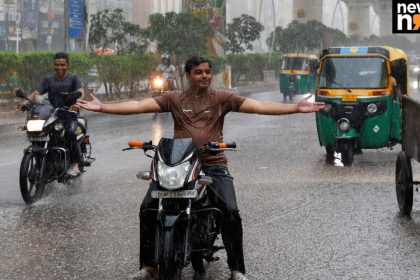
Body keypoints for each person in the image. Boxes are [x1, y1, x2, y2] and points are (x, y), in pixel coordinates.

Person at [77, 56, 325, 280]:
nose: (205, 76)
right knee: (148, 208)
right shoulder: (174, 99)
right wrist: (103, 107)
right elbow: (139, 105)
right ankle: (149, 266)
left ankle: (236, 269)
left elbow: (259, 106)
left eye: (207, 71)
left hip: (212, 164)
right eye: (198, 72)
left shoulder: (223, 99)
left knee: (229, 209)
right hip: (179, 164)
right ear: (188, 75)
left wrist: (294, 108)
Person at [19, 52, 86, 176]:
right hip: (51, 115)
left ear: (68, 65)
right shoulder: (48, 79)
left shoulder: (74, 78)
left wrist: (77, 103)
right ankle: (42, 162)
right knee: (38, 132)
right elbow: (36, 93)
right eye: (57, 65)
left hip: (69, 115)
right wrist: (26, 101)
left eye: (62, 65)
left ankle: (77, 163)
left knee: (70, 133)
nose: (59, 67)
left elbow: (81, 92)